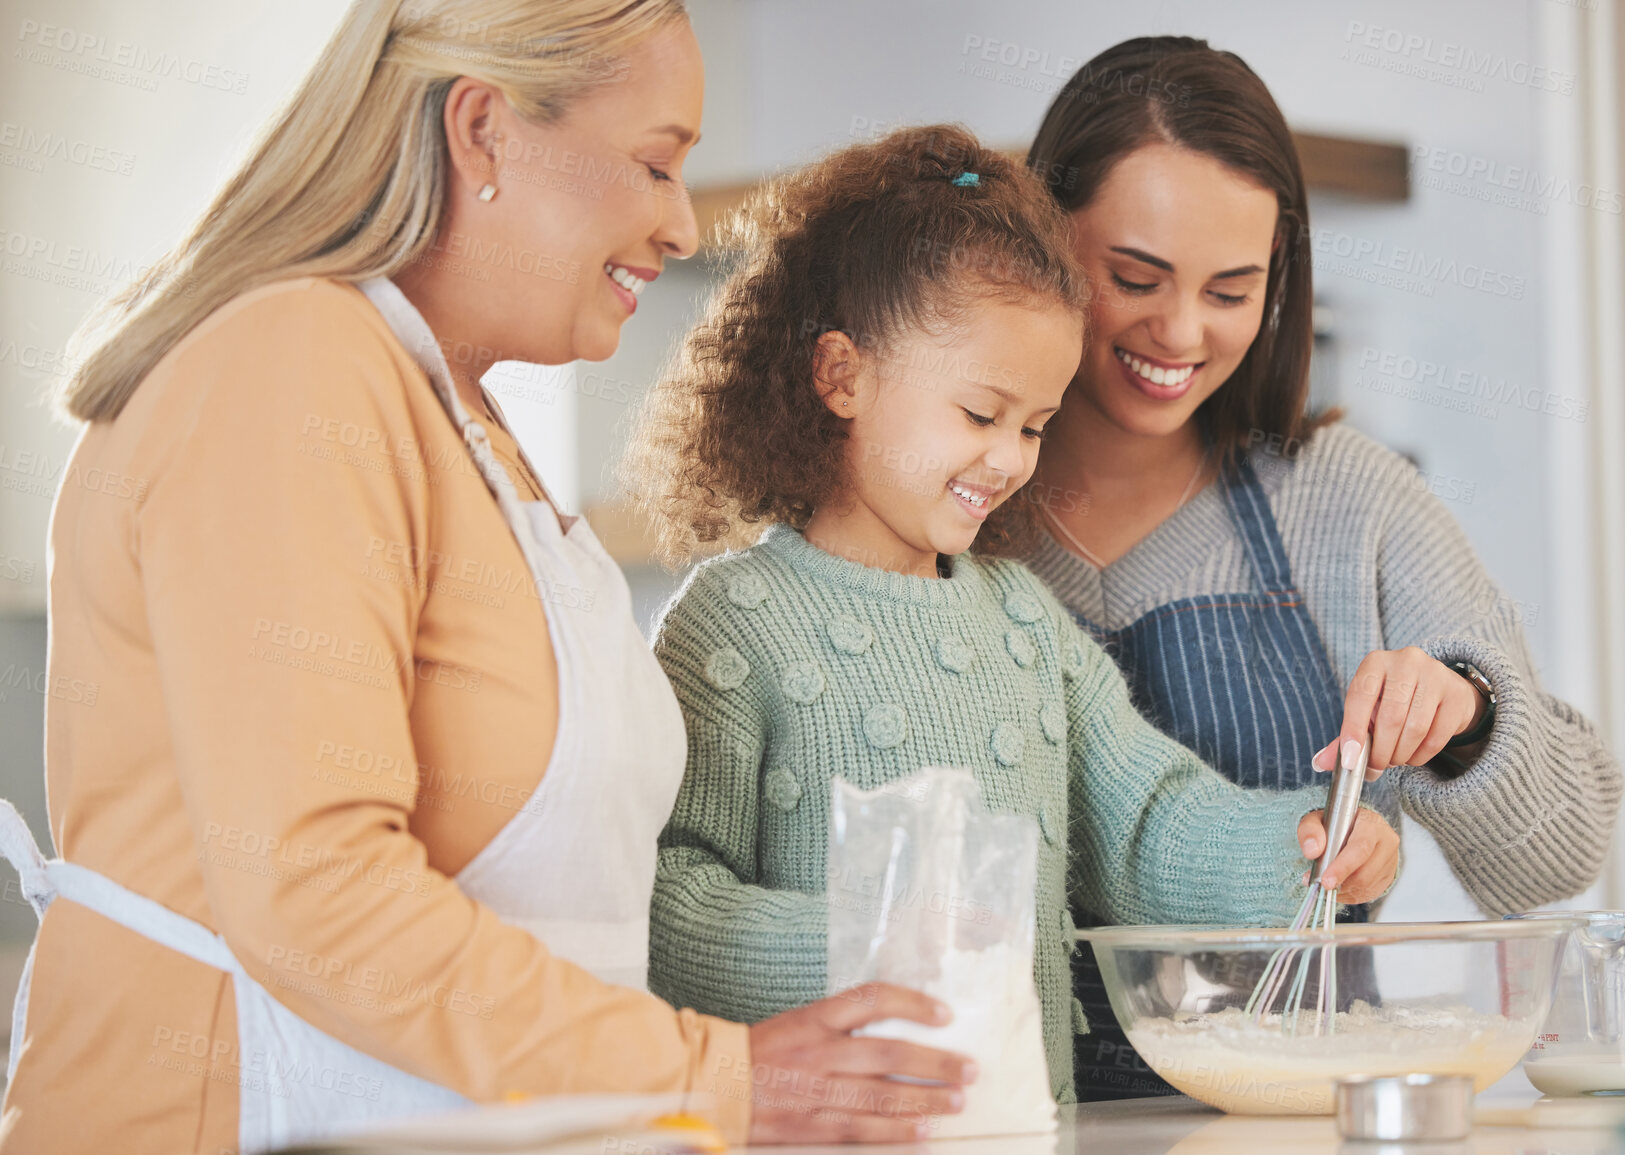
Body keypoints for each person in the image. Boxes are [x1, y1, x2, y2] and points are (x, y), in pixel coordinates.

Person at [0, 4, 975, 1151]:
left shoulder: (465, 428)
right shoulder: (288, 368)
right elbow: (311, 888)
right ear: (483, 130)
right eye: (656, 163)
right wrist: (712, 1074)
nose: (676, 222)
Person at [623, 124, 1401, 1106]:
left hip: (1027, 1120)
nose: (1010, 459)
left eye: (1036, 426)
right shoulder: (731, 629)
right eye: (980, 415)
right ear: (842, 376)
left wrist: (1304, 842)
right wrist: (869, 945)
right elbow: (668, 899)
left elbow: (1148, 825)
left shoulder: (1022, 619)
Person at [1018, 36, 1625, 1100]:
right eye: (1134, 277)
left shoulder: (1347, 500)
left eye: (1232, 289)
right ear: (1042, 237)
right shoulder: (945, 507)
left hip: (1301, 1120)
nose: (1180, 331)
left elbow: (1561, 855)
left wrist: (1466, 720)